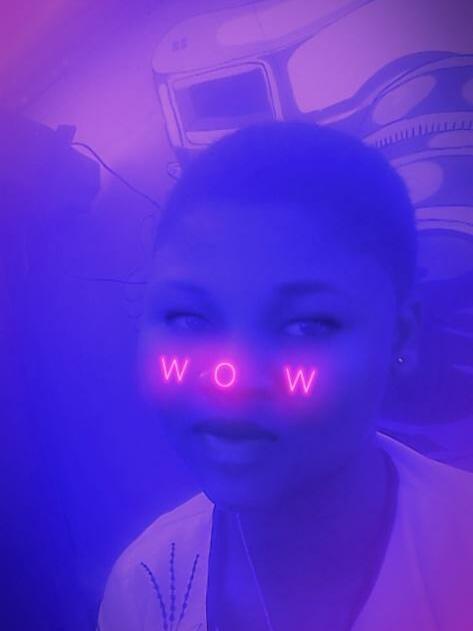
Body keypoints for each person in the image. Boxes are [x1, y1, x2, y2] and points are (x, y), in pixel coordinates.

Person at [96, 121, 473, 631]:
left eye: (306, 325)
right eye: (189, 318)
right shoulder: (144, 586)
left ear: (400, 336)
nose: (231, 380)